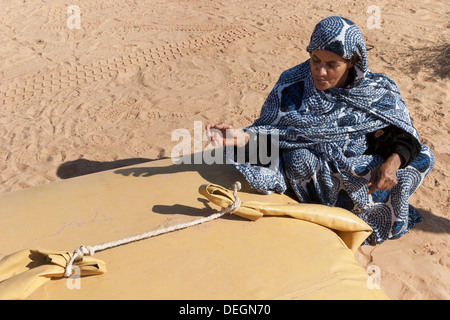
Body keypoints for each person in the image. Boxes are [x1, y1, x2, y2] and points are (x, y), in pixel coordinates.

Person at [206, 16, 434, 245]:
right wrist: (241, 138)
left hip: (361, 165)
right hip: (315, 171)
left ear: (353, 61)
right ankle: (323, 214)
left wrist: (391, 164)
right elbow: (276, 133)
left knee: (422, 157)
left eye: (331, 65)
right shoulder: (292, 83)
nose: (320, 71)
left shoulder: (378, 90)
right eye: (315, 60)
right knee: (298, 159)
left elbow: (404, 136)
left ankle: (371, 216)